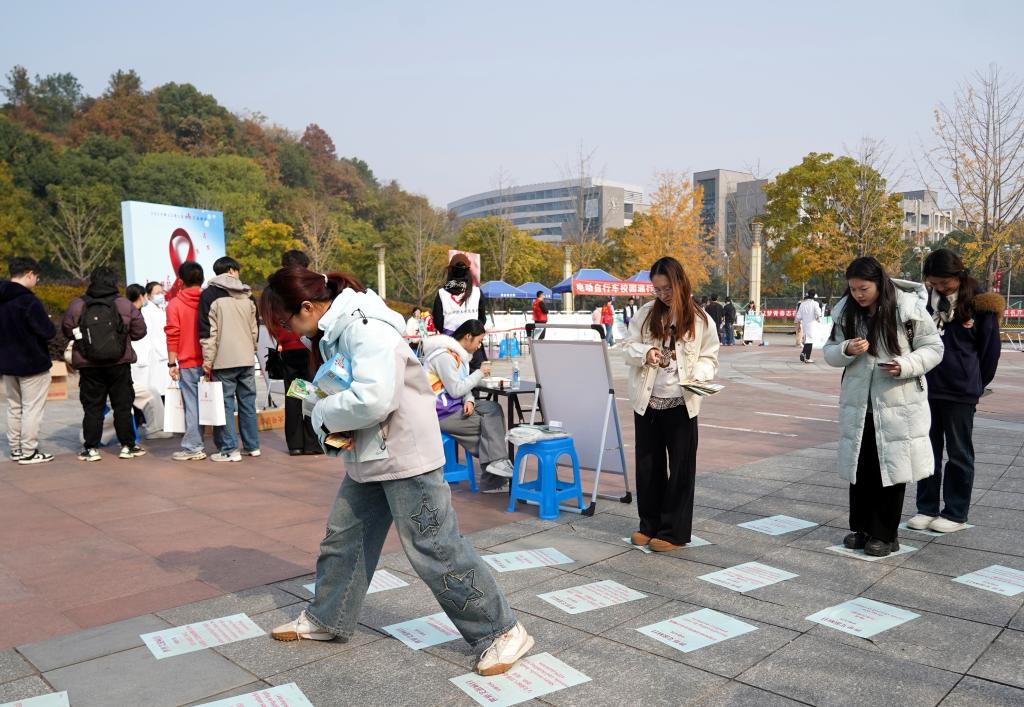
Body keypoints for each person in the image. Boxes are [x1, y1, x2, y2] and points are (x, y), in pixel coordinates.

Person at [261, 266, 534, 675]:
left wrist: (322, 412)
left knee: (435, 547)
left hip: (404, 455)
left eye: (286, 322)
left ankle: (502, 630)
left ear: (306, 306)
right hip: (373, 454)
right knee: (345, 538)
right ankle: (327, 616)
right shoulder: (344, 329)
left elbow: (373, 399)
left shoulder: (364, 329)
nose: (290, 332)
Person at [824, 257, 943, 557]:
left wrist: (905, 364)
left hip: (897, 403)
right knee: (860, 468)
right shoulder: (845, 310)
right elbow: (829, 351)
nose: (857, 295)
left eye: (863, 289)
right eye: (853, 289)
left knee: (890, 469)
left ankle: (884, 534)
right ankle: (862, 529)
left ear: (879, 283)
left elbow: (934, 348)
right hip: (859, 405)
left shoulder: (907, 308)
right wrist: (846, 349)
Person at [622, 257, 719, 552]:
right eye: (657, 289)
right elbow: (626, 347)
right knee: (648, 467)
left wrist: (698, 375)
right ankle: (649, 526)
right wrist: (645, 352)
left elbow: (710, 357)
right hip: (648, 402)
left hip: (682, 403)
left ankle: (673, 532)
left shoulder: (700, 319)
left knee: (680, 469)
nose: (663, 294)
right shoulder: (646, 314)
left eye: (667, 288)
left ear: (680, 283)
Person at [907, 249, 1002, 534]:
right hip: (927, 388)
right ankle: (926, 508)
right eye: (934, 283)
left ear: (959, 275)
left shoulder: (980, 304)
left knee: (959, 453)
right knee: (927, 451)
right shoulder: (923, 303)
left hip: (960, 392)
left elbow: (990, 352)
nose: (940, 287)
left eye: (944, 282)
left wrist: (975, 384)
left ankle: (956, 513)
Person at [63, 266, 147, 461]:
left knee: (93, 407)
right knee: (122, 406)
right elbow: (140, 331)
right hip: (119, 363)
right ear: (114, 282)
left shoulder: (78, 304)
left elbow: (67, 330)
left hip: (89, 365)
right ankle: (127, 446)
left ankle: (91, 449)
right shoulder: (124, 304)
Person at [424, 319, 515, 494]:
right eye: (479, 341)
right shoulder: (444, 357)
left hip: (453, 405)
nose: (479, 346)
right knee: (488, 429)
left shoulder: (457, 355)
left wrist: (470, 400)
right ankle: (494, 476)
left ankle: (496, 467)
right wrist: (479, 373)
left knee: (492, 409)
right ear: (468, 336)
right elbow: (456, 389)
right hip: (440, 412)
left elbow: (462, 385)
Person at [200, 256, 260, 462]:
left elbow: (209, 332)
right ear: (233, 270)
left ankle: (229, 449)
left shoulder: (209, 295)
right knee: (248, 403)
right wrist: (251, 351)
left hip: (223, 360)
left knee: (225, 404)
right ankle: (252, 446)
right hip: (246, 358)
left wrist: (208, 361)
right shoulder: (248, 295)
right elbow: (254, 330)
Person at [0, 257, 57, 464]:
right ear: (29, 274)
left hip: (7, 363)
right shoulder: (28, 301)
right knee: (32, 408)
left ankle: (16, 448)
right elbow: (48, 332)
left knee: (15, 407)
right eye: (37, 277)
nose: (37, 281)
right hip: (32, 363)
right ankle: (29, 451)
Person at [274, 250, 323, 456]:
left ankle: (295, 444)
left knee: (293, 396)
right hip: (309, 348)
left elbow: (274, 319)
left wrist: (281, 338)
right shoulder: (310, 285)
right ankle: (312, 442)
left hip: (288, 350)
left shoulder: (276, 289)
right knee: (312, 394)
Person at [166, 261, 207, 461]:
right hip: (211, 361)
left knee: (192, 405)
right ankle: (227, 445)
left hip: (188, 362)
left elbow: (172, 334)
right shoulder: (209, 300)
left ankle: (193, 447)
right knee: (216, 401)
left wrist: (171, 363)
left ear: (181, 281)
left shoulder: (174, 304)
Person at [125, 284, 171, 439]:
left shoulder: (147, 311)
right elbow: (147, 335)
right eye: (156, 292)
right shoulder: (140, 313)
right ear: (143, 296)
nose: (161, 295)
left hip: (148, 358)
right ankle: (147, 427)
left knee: (150, 394)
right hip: (141, 359)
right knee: (143, 395)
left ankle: (152, 426)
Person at [432, 254, 489, 372]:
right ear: (468, 272)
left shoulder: (442, 293)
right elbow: (482, 320)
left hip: (450, 347)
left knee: (452, 381)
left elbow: (438, 322)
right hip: (473, 347)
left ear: (450, 271)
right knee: (474, 380)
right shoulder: (477, 292)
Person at [796, 290, 822, 363]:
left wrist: (798, 325)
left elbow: (798, 316)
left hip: (804, 324)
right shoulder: (815, 303)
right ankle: (806, 356)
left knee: (807, 340)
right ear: (814, 295)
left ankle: (804, 354)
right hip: (812, 324)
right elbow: (818, 313)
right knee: (810, 340)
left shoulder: (802, 304)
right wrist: (818, 317)